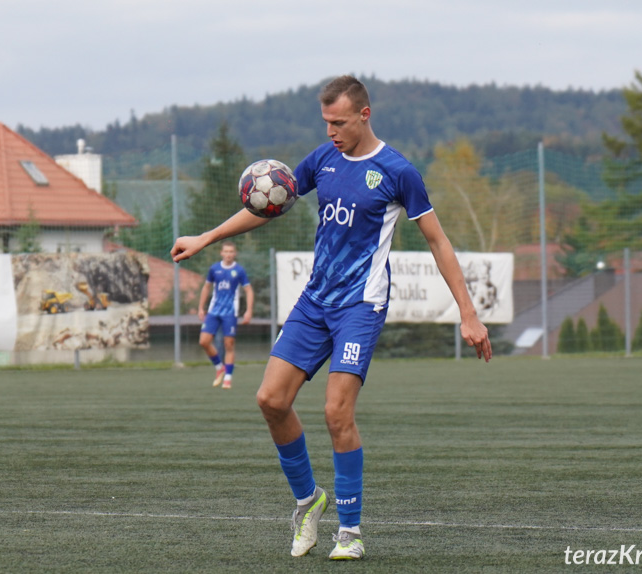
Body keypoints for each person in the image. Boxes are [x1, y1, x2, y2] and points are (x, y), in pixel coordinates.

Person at [172, 75, 492, 560]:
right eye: (325, 122)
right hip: (315, 302)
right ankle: (308, 501)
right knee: (270, 399)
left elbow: (437, 241)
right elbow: (270, 205)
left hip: (360, 307)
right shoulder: (321, 161)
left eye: (339, 122)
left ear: (364, 115)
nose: (331, 132)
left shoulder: (397, 171)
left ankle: (350, 531)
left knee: (336, 411)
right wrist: (206, 238)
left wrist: (469, 315)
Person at [197, 241, 254, 389]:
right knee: (204, 341)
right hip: (214, 311)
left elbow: (248, 290)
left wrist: (248, 310)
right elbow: (206, 287)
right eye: (226, 252)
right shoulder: (214, 269)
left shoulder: (239, 271)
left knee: (228, 344)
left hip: (230, 312)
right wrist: (201, 307)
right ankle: (219, 367)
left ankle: (228, 377)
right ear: (221, 253)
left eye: (231, 252)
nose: (228, 254)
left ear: (234, 254)